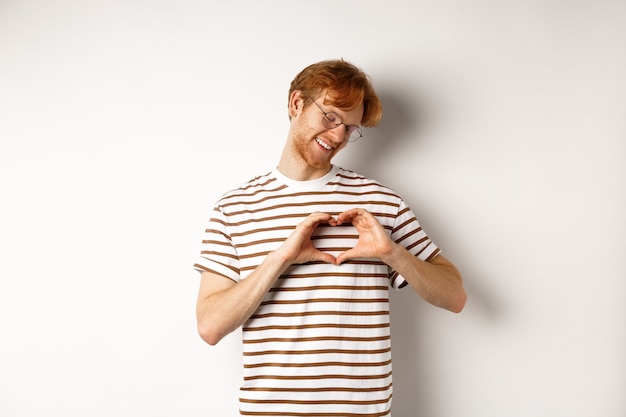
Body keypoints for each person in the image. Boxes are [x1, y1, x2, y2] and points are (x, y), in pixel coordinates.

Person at [193, 59, 467, 416]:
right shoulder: (235, 208)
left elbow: (456, 296)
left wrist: (392, 253)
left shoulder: (380, 202)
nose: (338, 136)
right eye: (331, 117)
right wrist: (281, 258)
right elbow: (210, 327)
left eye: (351, 128)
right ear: (296, 104)